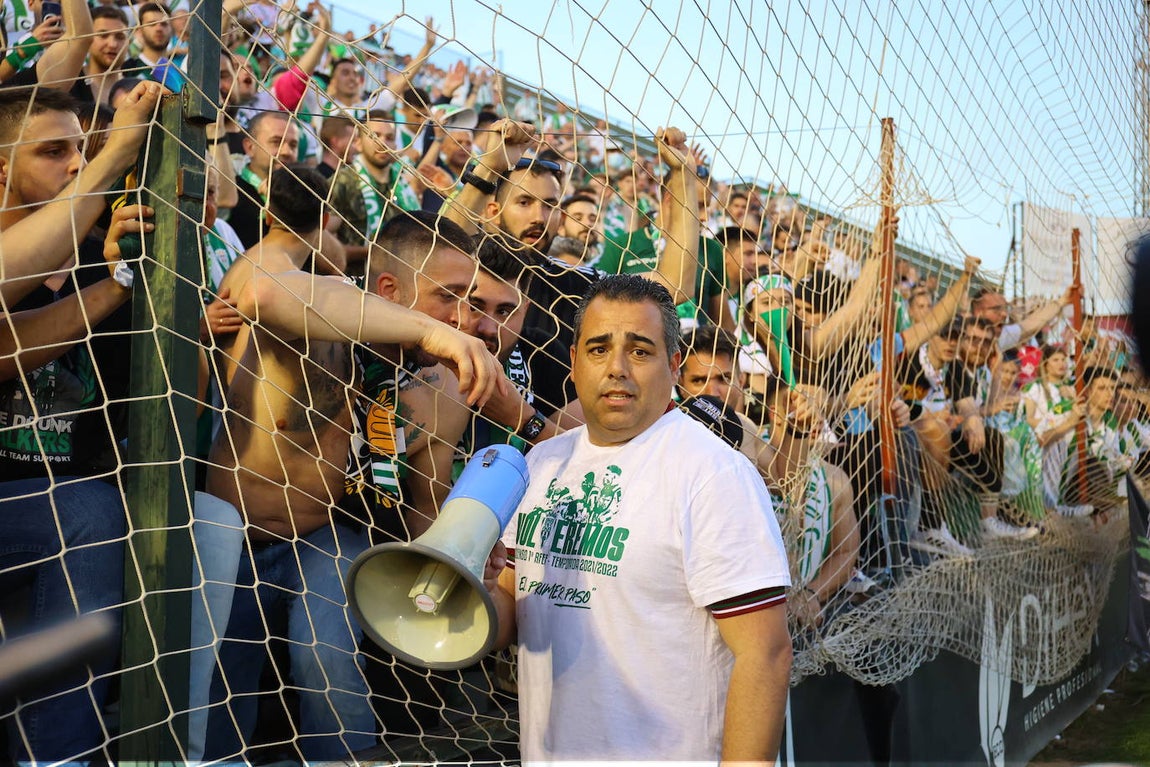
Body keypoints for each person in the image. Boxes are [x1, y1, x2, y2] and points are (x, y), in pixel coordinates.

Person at [204, 196, 502, 760]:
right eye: (449, 297)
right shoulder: (312, 330)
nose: (465, 320)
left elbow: (425, 509)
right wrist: (433, 332)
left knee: (327, 656)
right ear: (389, 292)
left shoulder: (439, 387)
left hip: (323, 537)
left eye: (471, 301)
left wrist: (464, 553)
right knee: (223, 689)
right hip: (229, 535)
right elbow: (266, 290)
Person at [487, 274, 792, 763]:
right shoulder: (542, 465)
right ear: (573, 362)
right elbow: (507, 602)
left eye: (641, 351)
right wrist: (470, 591)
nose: (617, 369)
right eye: (599, 349)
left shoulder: (713, 473)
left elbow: (766, 654)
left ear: (673, 365)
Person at [0, 81, 160, 763]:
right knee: (88, 515)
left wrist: (121, 276)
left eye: (81, 149)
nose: (74, 163)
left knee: (100, 510)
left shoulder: (100, 243)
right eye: (53, 150)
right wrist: (117, 149)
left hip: (60, 497)